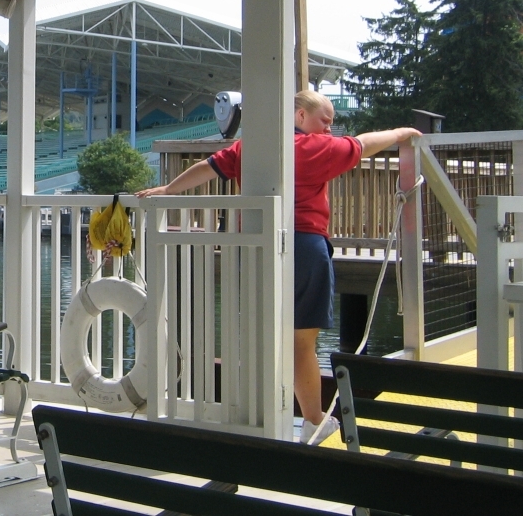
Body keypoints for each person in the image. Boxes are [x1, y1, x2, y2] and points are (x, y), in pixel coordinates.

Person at [136, 90, 421, 444]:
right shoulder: (317, 149)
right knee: (302, 342)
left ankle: (259, 415)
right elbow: (364, 144)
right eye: (324, 121)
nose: (329, 129)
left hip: (255, 250)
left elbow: (207, 168)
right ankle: (313, 420)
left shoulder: (250, 147)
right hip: (306, 247)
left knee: (262, 333)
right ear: (299, 116)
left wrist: (168, 189)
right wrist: (402, 133)